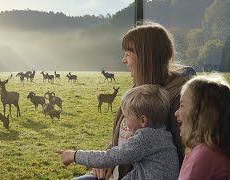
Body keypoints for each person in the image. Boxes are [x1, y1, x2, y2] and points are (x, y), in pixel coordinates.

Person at [68, 22, 192, 180]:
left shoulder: (177, 98)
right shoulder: (139, 89)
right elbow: (123, 140)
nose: (123, 61)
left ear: (145, 56)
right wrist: (107, 161)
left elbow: (183, 156)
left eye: (128, 54)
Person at [55, 84, 179, 180]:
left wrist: (74, 155)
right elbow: (138, 174)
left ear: (143, 120)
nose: (123, 121)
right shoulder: (162, 136)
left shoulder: (146, 139)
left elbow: (108, 158)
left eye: (126, 116)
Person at [175, 74, 230, 180]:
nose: (176, 113)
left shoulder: (204, 154)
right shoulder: (215, 151)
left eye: (182, 106)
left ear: (200, 114)